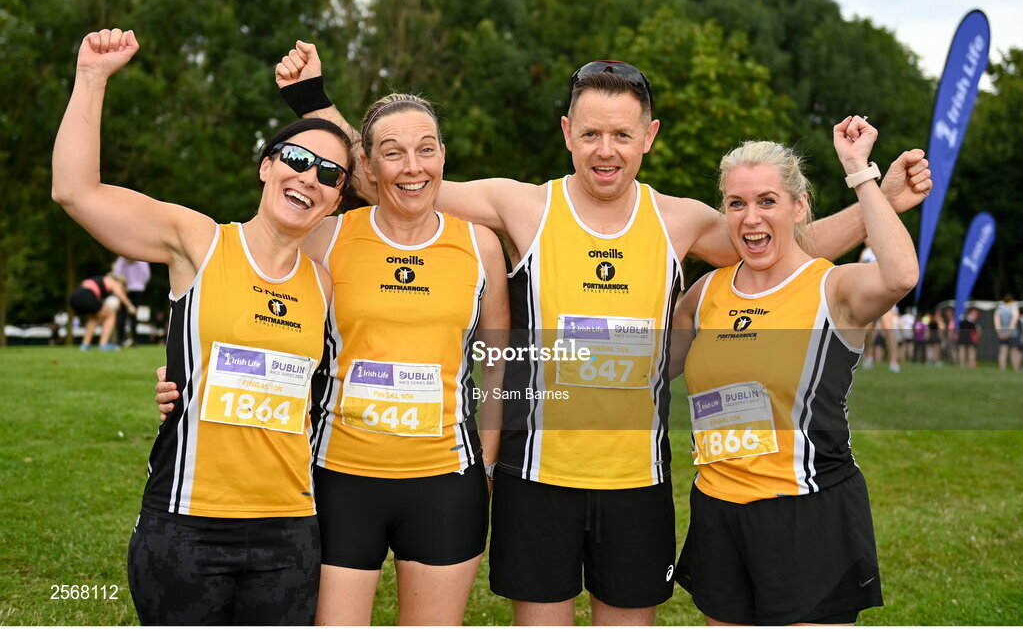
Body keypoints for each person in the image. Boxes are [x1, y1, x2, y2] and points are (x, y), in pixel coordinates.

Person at [267, 43, 932, 625]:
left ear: (649, 135)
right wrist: (316, 103)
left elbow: (781, 245)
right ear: (566, 133)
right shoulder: (522, 206)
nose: (605, 150)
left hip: (635, 484)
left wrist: (874, 210)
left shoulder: (679, 221)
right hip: (535, 480)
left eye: (620, 134)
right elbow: (403, 176)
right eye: (590, 134)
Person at [158, 89, 509, 624]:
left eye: (427, 148)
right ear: (366, 166)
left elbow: (497, 358)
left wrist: (485, 457)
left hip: (445, 481)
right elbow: (253, 305)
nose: (412, 167)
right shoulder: (326, 236)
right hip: (339, 477)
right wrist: (185, 374)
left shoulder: (481, 246)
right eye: (392, 152)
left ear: (443, 155)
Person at [53, 28, 350, 625]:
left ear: (339, 198)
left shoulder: (326, 280)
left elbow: (398, 180)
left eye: (330, 174)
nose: (309, 177)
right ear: (267, 167)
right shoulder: (200, 242)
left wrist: (314, 95)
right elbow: (76, 191)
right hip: (186, 525)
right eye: (295, 159)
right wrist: (91, 79)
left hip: (289, 532)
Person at [671, 119, 919, 625]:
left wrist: (859, 171)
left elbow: (900, 275)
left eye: (767, 201)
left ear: (799, 206)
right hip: (718, 508)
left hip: (806, 512)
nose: (750, 217)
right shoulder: (706, 293)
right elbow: (646, 371)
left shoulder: (833, 289)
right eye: (736, 204)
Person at [70, 272, 136, 350]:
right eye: (122, 287)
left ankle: (85, 345)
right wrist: (130, 306)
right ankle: (103, 344)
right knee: (111, 314)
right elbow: (119, 293)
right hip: (87, 295)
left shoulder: (100, 280)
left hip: (74, 297)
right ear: (120, 282)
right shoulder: (113, 281)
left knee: (94, 317)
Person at [112, 255, 151, 346]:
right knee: (122, 315)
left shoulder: (142, 260)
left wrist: (140, 284)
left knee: (134, 315)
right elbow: (116, 274)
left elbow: (146, 275)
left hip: (137, 289)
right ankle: (120, 340)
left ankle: (135, 340)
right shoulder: (121, 260)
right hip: (124, 290)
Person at [995, 294, 1020, 372]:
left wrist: (999, 332)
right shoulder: (1014, 309)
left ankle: (1002, 369)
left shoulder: (999, 310)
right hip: (1013, 333)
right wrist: (1009, 333)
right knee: (1014, 352)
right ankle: (1016, 369)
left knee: (1003, 351)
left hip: (1002, 332)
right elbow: (1014, 322)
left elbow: (997, 322)